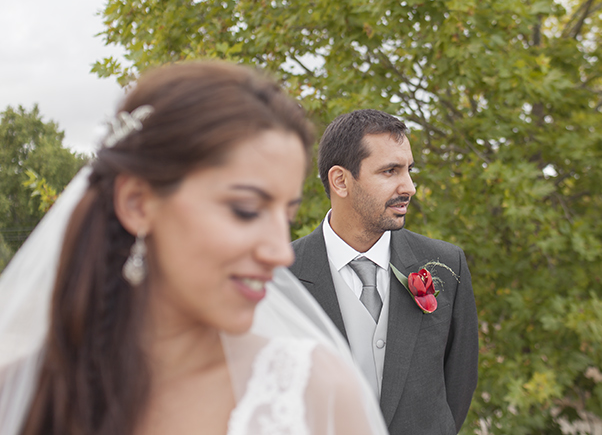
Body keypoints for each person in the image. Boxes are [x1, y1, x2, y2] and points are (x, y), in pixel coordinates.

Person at [0, 61, 386, 434]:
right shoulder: (21, 392)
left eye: (285, 217)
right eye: (246, 210)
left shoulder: (314, 393)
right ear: (137, 204)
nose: (281, 254)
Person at [289, 109, 478, 435]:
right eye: (390, 171)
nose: (409, 187)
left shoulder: (447, 266)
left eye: (409, 169)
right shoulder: (280, 276)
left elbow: (458, 386)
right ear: (341, 180)